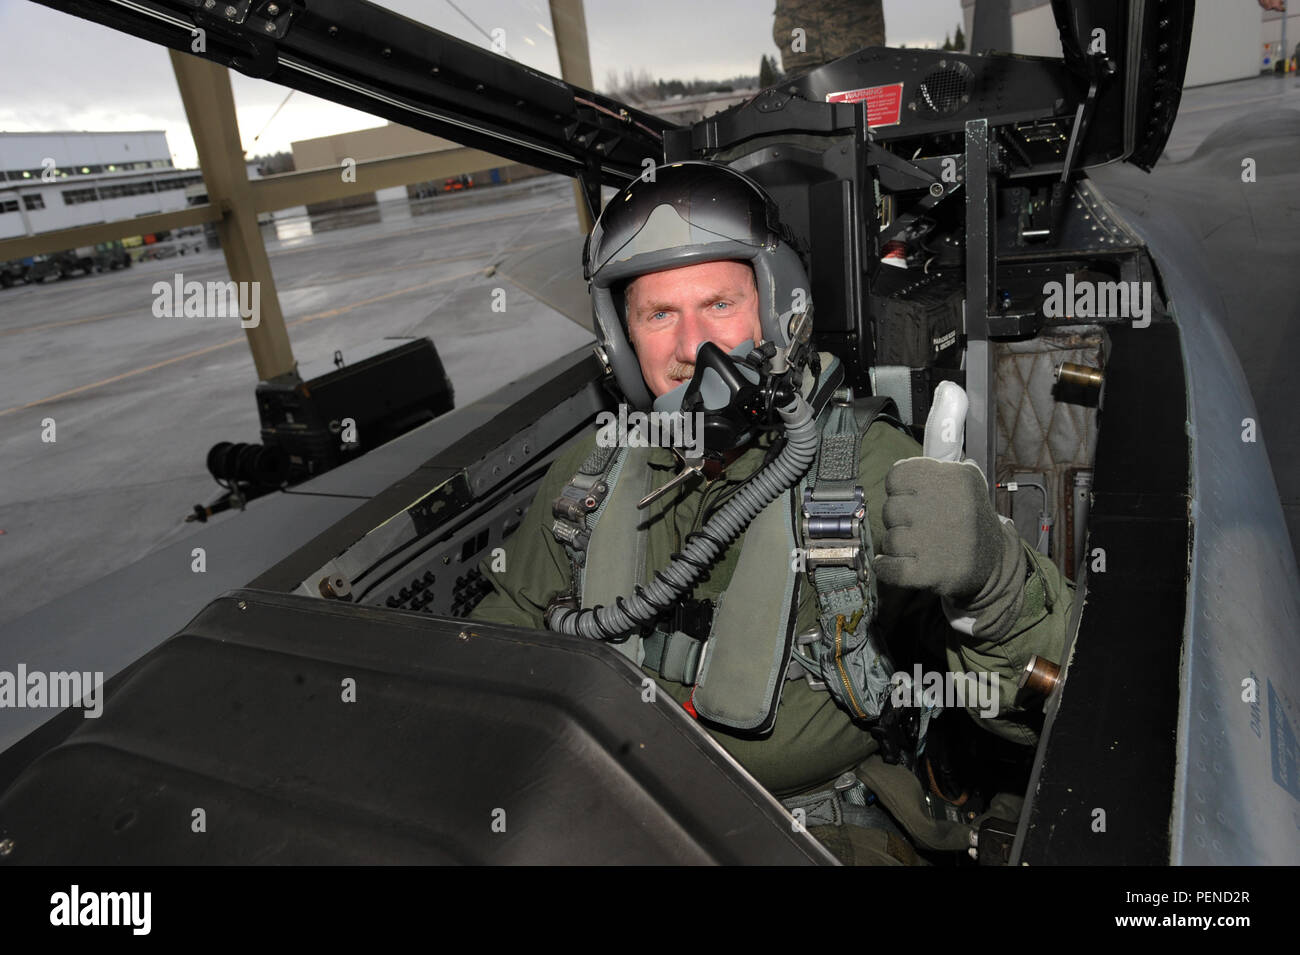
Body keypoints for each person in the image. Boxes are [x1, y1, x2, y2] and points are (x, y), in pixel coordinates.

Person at [470, 161, 1072, 864]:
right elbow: (497, 650)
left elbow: (1045, 706)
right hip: (613, 809)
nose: (693, 346)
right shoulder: (589, 476)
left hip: (814, 829)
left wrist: (993, 586)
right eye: (659, 314)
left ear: (777, 309)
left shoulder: (870, 470)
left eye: (720, 305)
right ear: (622, 342)